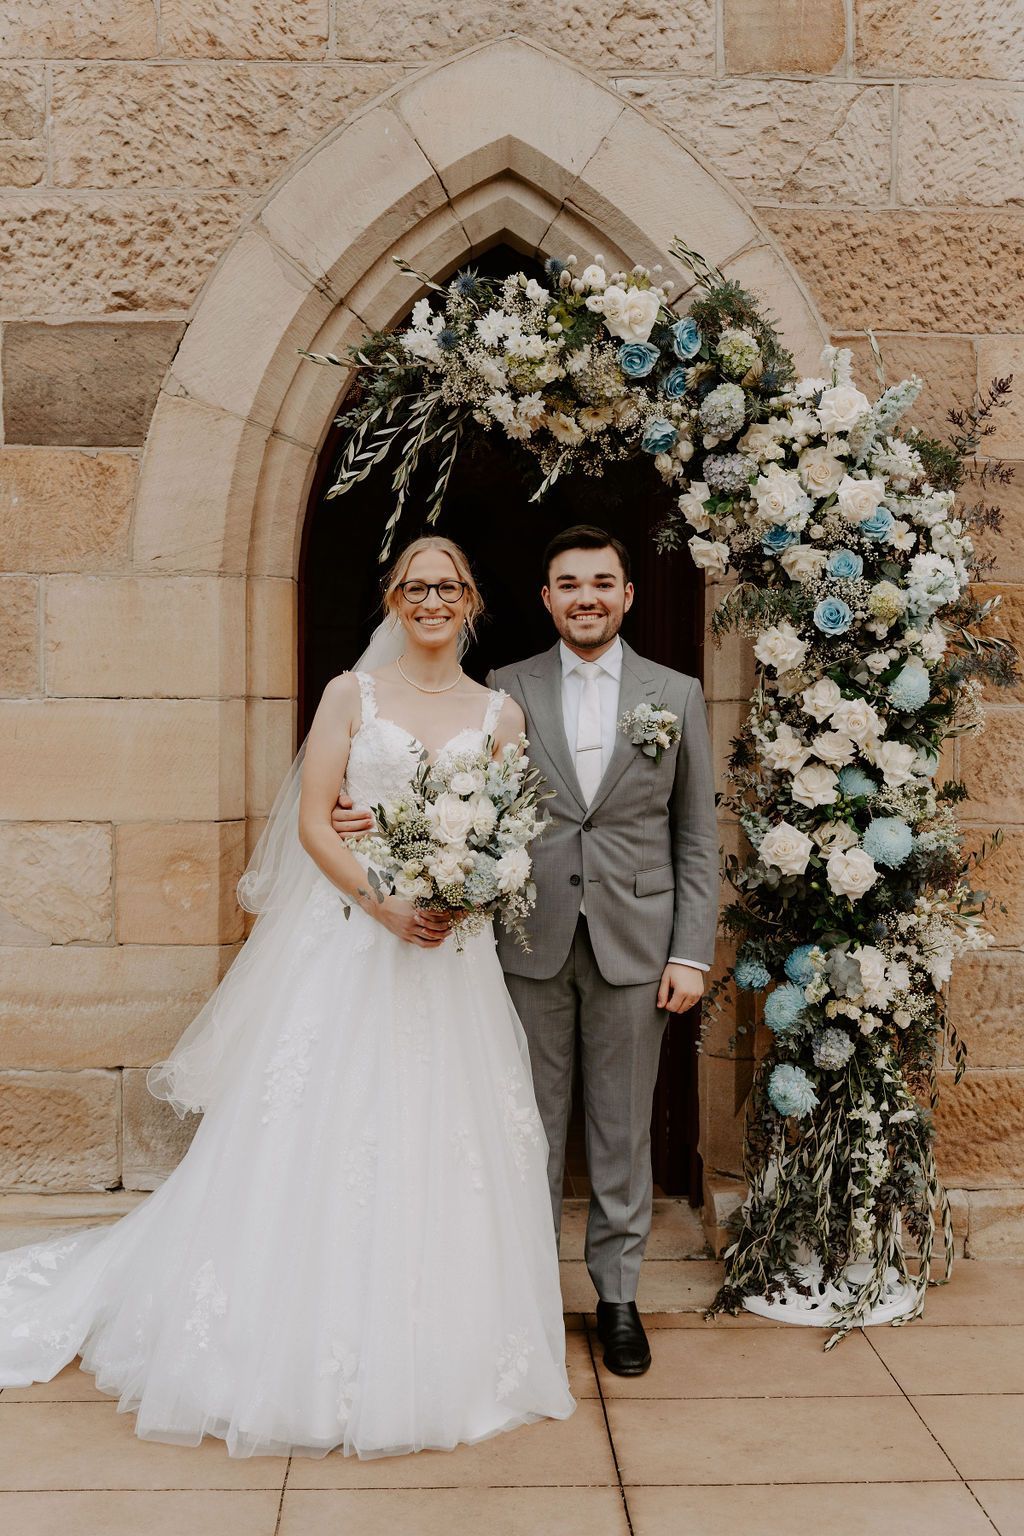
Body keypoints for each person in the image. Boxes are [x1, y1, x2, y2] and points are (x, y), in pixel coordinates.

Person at [0, 535, 575, 1460]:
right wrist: (385, 903)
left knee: (449, 1133)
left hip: (450, 956)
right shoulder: (354, 696)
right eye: (416, 585)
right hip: (357, 940)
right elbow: (315, 821)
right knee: (324, 1129)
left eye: (449, 586)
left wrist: (465, 888)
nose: (432, 599)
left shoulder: (500, 714)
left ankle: (446, 1349)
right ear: (394, 599)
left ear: (471, 601)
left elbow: (508, 836)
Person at [335, 524, 719, 1377]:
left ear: (628, 595)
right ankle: (527, 1297)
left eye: (602, 582)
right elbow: (438, 791)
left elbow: (696, 837)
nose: (586, 596)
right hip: (519, 940)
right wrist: (358, 819)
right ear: (546, 599)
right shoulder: (503, 691)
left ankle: (617, 1299)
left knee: (622, 1132)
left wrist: (690, 951)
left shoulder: (676, 693)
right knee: (523, 1132)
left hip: (637, 944)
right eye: (569, 583)